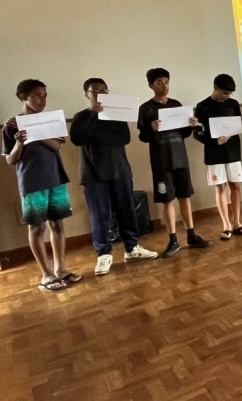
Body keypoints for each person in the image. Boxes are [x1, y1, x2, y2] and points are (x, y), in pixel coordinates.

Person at [71, 78, 158, 276]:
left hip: (120, 170)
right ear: (87, 94)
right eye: (95, 90)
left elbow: (124, 138)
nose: (100, 93)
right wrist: (94, 115)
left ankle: (132, 248)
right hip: (93, 173)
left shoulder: (116, 114)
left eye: (104, 90)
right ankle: (103, 254)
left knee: (126, 210)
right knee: (99, 215)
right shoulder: (81, 116)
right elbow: (78, 139)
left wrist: (96, 136)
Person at [2, 79, 79, 291]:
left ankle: (60, 269)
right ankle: (46, 275)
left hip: (56, 177)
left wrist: (35, 131)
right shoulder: (11, 125)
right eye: (37, 95)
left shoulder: (50, 120)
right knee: (37, 227)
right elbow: (11, 160)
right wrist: (19, 143)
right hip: (31, 181)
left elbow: (56, 145)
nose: (42, 100)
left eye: (44, 95)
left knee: (57, 224)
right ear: (23, 97)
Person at [137, 68, 208, 258]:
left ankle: (191, 235)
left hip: (180, 157)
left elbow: (184, 133)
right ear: (151, 85)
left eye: (166, 82)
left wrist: (190, 125)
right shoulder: (146, 108)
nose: (164, 86)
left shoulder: (176, 105)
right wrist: (151, 129)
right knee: (167, 199)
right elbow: (143, 137)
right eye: (159, 82)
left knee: (185, 196)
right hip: (161, 160)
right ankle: (173, 240)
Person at [194, 74, 242, 240]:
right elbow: (196, 133)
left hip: (233, 151)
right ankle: (226, 225)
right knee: (220, 187)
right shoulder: (202, 106)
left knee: (236, 186)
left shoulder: (233, 104)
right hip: (214, 153)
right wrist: (214, 141)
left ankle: (237, 222)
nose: (227, 96)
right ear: (215, 88)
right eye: (224, 92)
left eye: (230, 93)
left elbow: (237, 126)